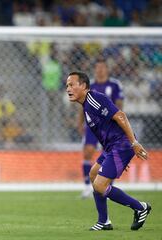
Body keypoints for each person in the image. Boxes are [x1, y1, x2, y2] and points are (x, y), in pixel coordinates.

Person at [66, 71, 151, 231]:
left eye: (71, 85)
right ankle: (104, 221)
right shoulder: (86, 106)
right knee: (93, 174)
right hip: (112, 147)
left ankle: (140, 207)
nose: (68, 89)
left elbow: (121, 116)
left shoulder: (95, 99)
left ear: (83, 86)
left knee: (99, 185)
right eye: (67, 86)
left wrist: (133, 143)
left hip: (122, 144)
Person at [77, 59, 124, 198]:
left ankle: (108, 187)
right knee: (88, 152)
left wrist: (118, 123)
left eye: (102, 67)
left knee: (110, 155)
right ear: (94, 69)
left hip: (109, 126)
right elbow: (82, 106)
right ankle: (86, 186)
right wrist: (80, 123)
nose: (100, 70)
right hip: (93, 125)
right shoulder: (89, 85)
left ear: (107, 69)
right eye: (97, 67)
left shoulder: (115, 85)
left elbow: (119, 105)